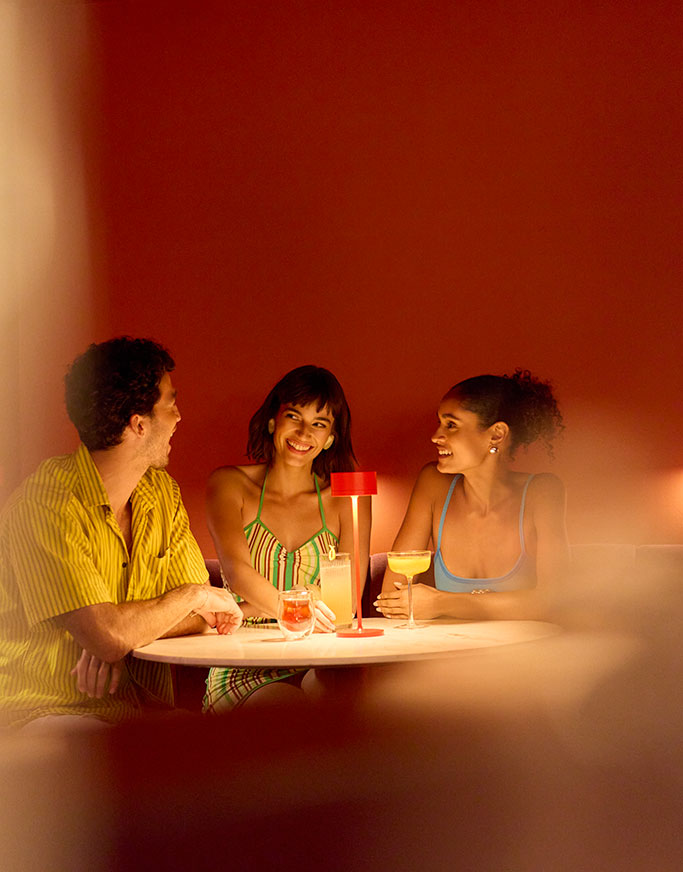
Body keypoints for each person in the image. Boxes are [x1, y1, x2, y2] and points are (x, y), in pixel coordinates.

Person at [0, 337, 242, 729]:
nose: (178, 417)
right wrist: (186, 598)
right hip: (43, 711)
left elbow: (207, 617)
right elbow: (193, 603)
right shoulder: (45, 506)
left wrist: (120, 636)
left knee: (225, 745)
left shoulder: (161, 493)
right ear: (139, 424)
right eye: (170, 404)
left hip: (135, 709)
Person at [203, 365, 370, 711]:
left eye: (319, 424)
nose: (304, 433)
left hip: (319, 654)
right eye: (294, 416)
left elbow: (346, 599)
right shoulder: (229, 485)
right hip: (244, 656)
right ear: (272, 422)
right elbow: (237, 574)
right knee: (293, 712)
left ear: (331, 438)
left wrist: (248, 608)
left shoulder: (346, 498)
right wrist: (305, 600)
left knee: (351, 701)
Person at [375, 370, 569, 621]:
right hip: (449, 646)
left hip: (529, 647)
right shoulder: (433, 484)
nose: (435, 436)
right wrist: (506, 604)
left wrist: (442, 603)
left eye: (451, 425)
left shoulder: (542, 492)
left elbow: (553, 601)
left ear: (496, 434)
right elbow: (392, 599)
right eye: (440, 423)